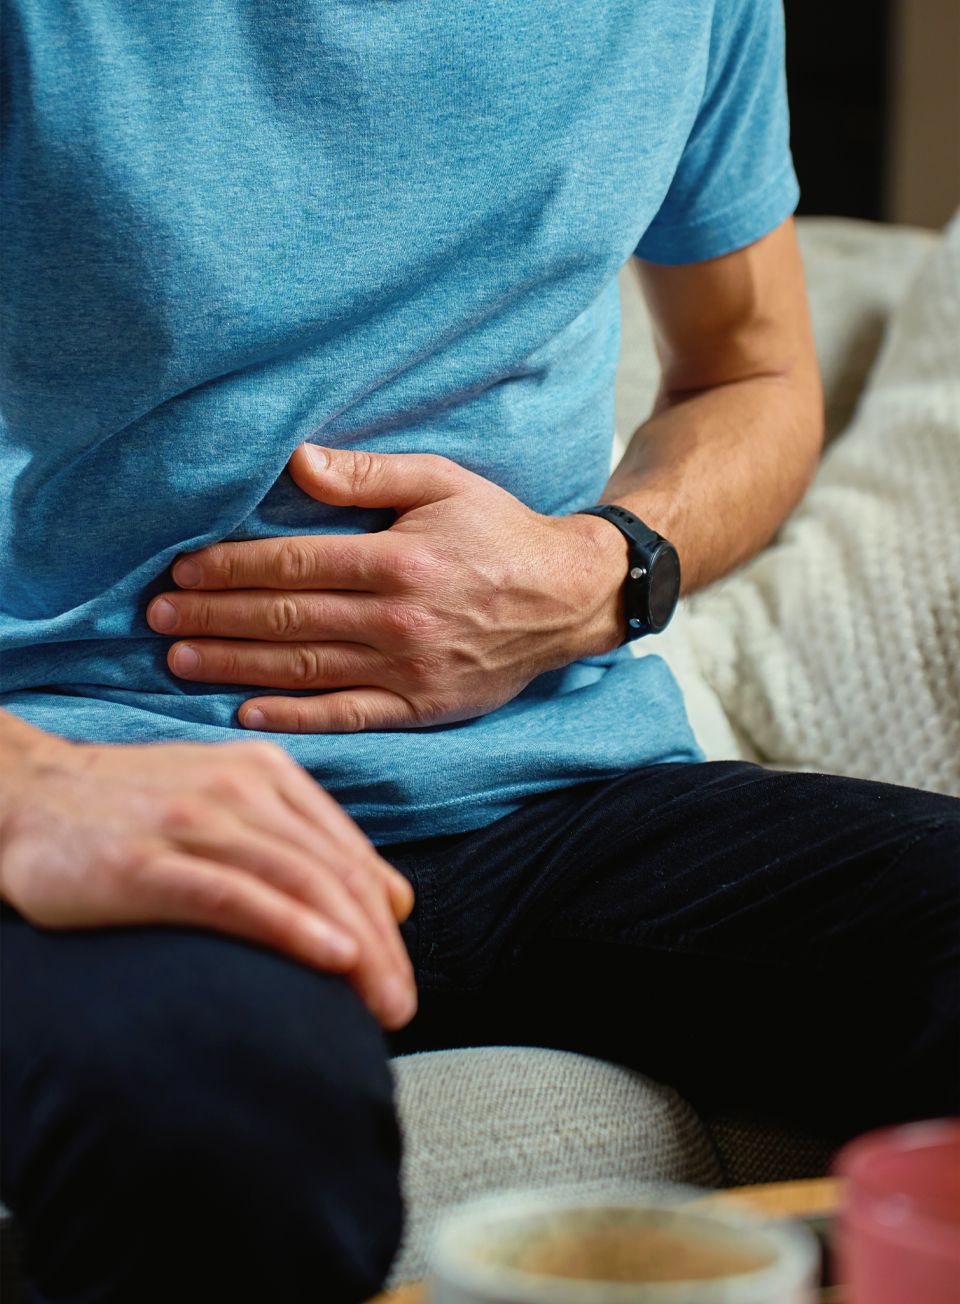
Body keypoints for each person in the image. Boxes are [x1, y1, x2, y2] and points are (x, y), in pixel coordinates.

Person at [1, 1, 957, 1300]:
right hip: (115, 795)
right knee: (219, 1125)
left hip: (567, 789)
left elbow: (749, 370)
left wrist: (601, 568)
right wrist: (30, 793)